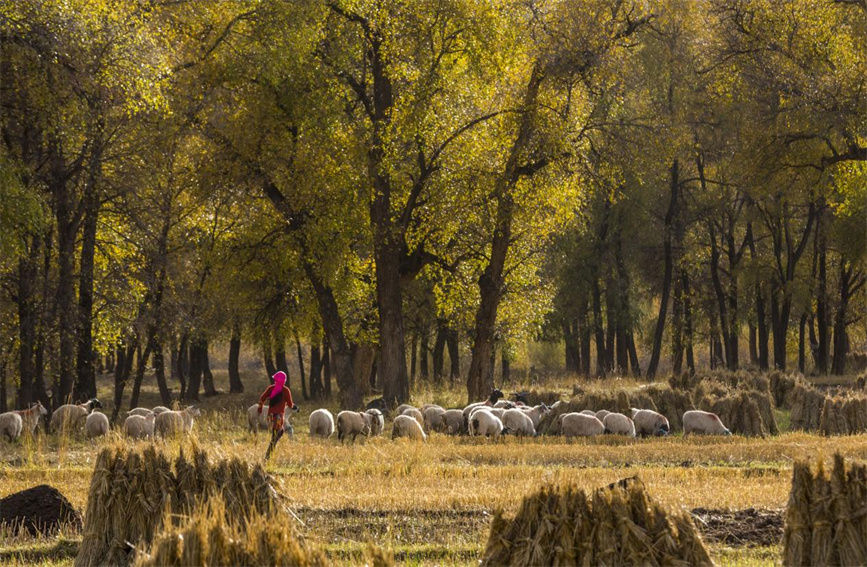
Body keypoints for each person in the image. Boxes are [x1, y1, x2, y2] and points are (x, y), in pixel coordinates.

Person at [258, 371, 298, 460]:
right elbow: (290, 404)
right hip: (279, 417)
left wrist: (260, 409)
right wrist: (291, 405)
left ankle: (269, 452)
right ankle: (268, 454)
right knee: (277, 434)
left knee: (277, 432)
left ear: (275, 379)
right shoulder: (285, 390)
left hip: (270, 416)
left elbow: (262, 398)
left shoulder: (271, 388)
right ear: (284, 381)